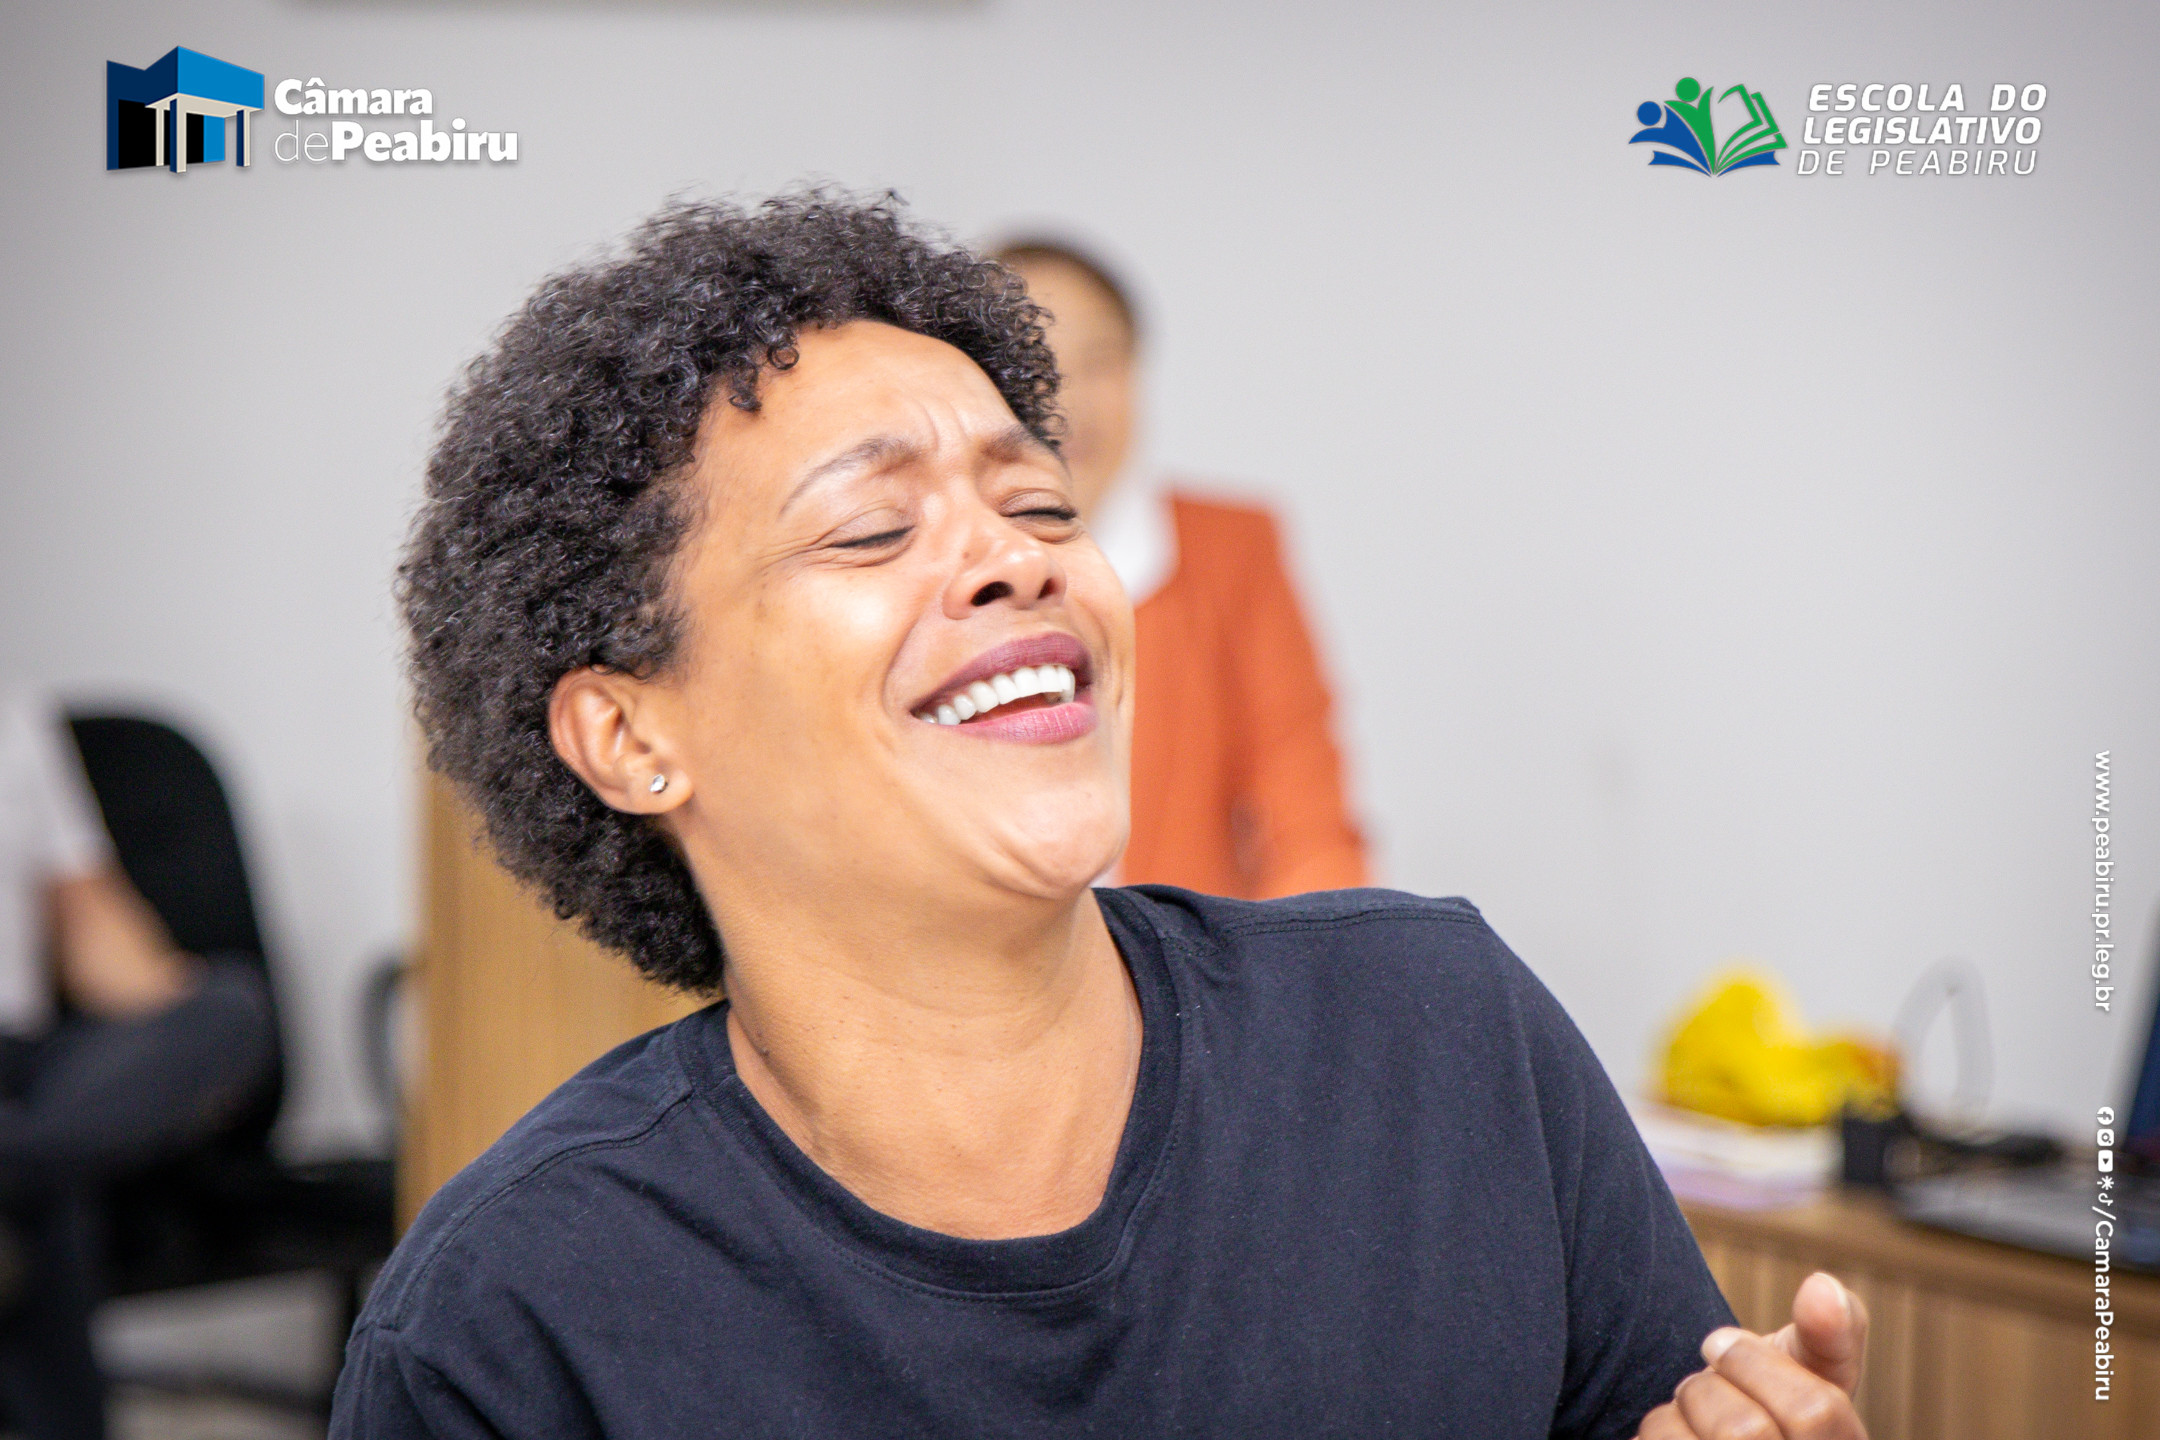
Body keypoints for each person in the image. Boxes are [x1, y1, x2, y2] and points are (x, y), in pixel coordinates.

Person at [336, 192, 1871, 1439]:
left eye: (1042, 504)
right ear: (629, 736)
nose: (1021, 558)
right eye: (870, 528)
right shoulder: (512, 1327)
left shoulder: (1446, 1042)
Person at [993, 239, 1367, 899]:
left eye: (1099, 361)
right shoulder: (930, 571)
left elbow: (1307, 820)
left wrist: (1321, 950)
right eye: (1029, 362)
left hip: (1183, 958)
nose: (1065, 400)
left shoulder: (1229, 550)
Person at [0, 695, 277, 1440]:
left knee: (229, 1006)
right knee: (45, 1196)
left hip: (30, 1073)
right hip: (40, 1128)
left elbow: (92, 926)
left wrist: (180, 1024)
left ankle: (15, 1161)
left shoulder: (13, 714)